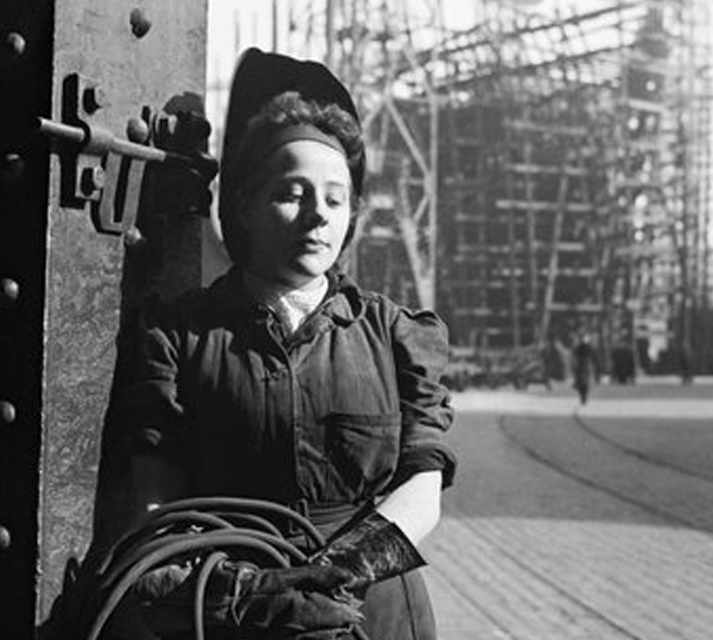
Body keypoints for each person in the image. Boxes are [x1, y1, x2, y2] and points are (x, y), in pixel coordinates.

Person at [112, 48, 457, 640]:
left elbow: (422, 487)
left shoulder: (395, 335)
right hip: (235, 610)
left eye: (334, 199)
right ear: (245, 205)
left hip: (371, 611)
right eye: (292, 193)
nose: (316, 217)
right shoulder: (181, 335)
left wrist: (334, 575)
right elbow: (155, 500)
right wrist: (238, 593)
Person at [572, 334, 598, 405]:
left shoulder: (588, 348)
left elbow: (593, 356)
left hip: (585, 365)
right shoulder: (580, 347)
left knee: (584, 381)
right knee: (581, 380)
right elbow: (575, 354)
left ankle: (583, 395)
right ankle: (582, 394)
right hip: (582, 365)